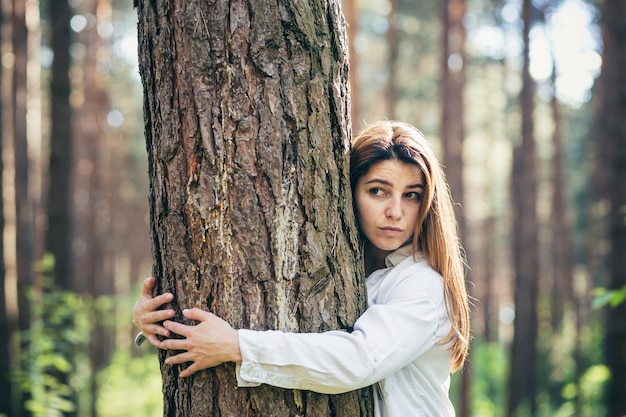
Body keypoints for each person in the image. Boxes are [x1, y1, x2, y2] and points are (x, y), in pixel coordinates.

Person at [132, 120, 470, 416]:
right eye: (378, 191)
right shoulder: (349, 271)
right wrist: (161, 321)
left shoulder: (422, 284)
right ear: (348, 192)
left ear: (428, 204)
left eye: (411, 195)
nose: (395, 211)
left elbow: (359, 361)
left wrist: (239, 346)